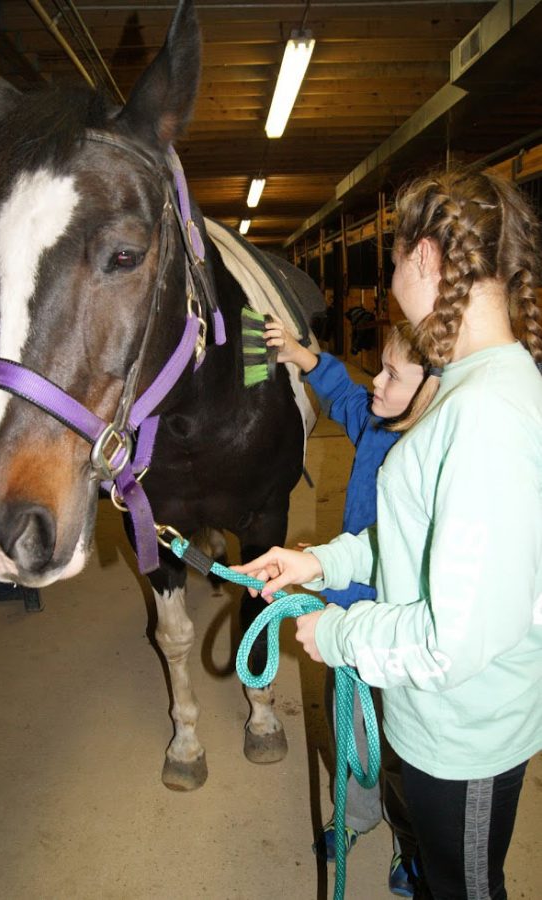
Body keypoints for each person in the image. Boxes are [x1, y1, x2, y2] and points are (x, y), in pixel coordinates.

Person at [238, 167, 542, 900]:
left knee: (464, 888)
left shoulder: (485, 416)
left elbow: (452, 641)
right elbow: (410, 541)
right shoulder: (471, 388)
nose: (388, 277)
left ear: (428, 258)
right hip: (433, 721)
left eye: (395, 256)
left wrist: (339, 636)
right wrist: (316, 563)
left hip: (463, 734)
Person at [264, 315, 426, 897]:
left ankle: (414, 847)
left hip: (399, 634)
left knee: (404, 753)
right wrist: (304, 357)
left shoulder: (434, 460)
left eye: (391, 374)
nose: (374, 382)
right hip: (346, 611)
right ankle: (355, 816)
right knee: (350, 728)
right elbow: (342, 395)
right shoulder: (378, 424)